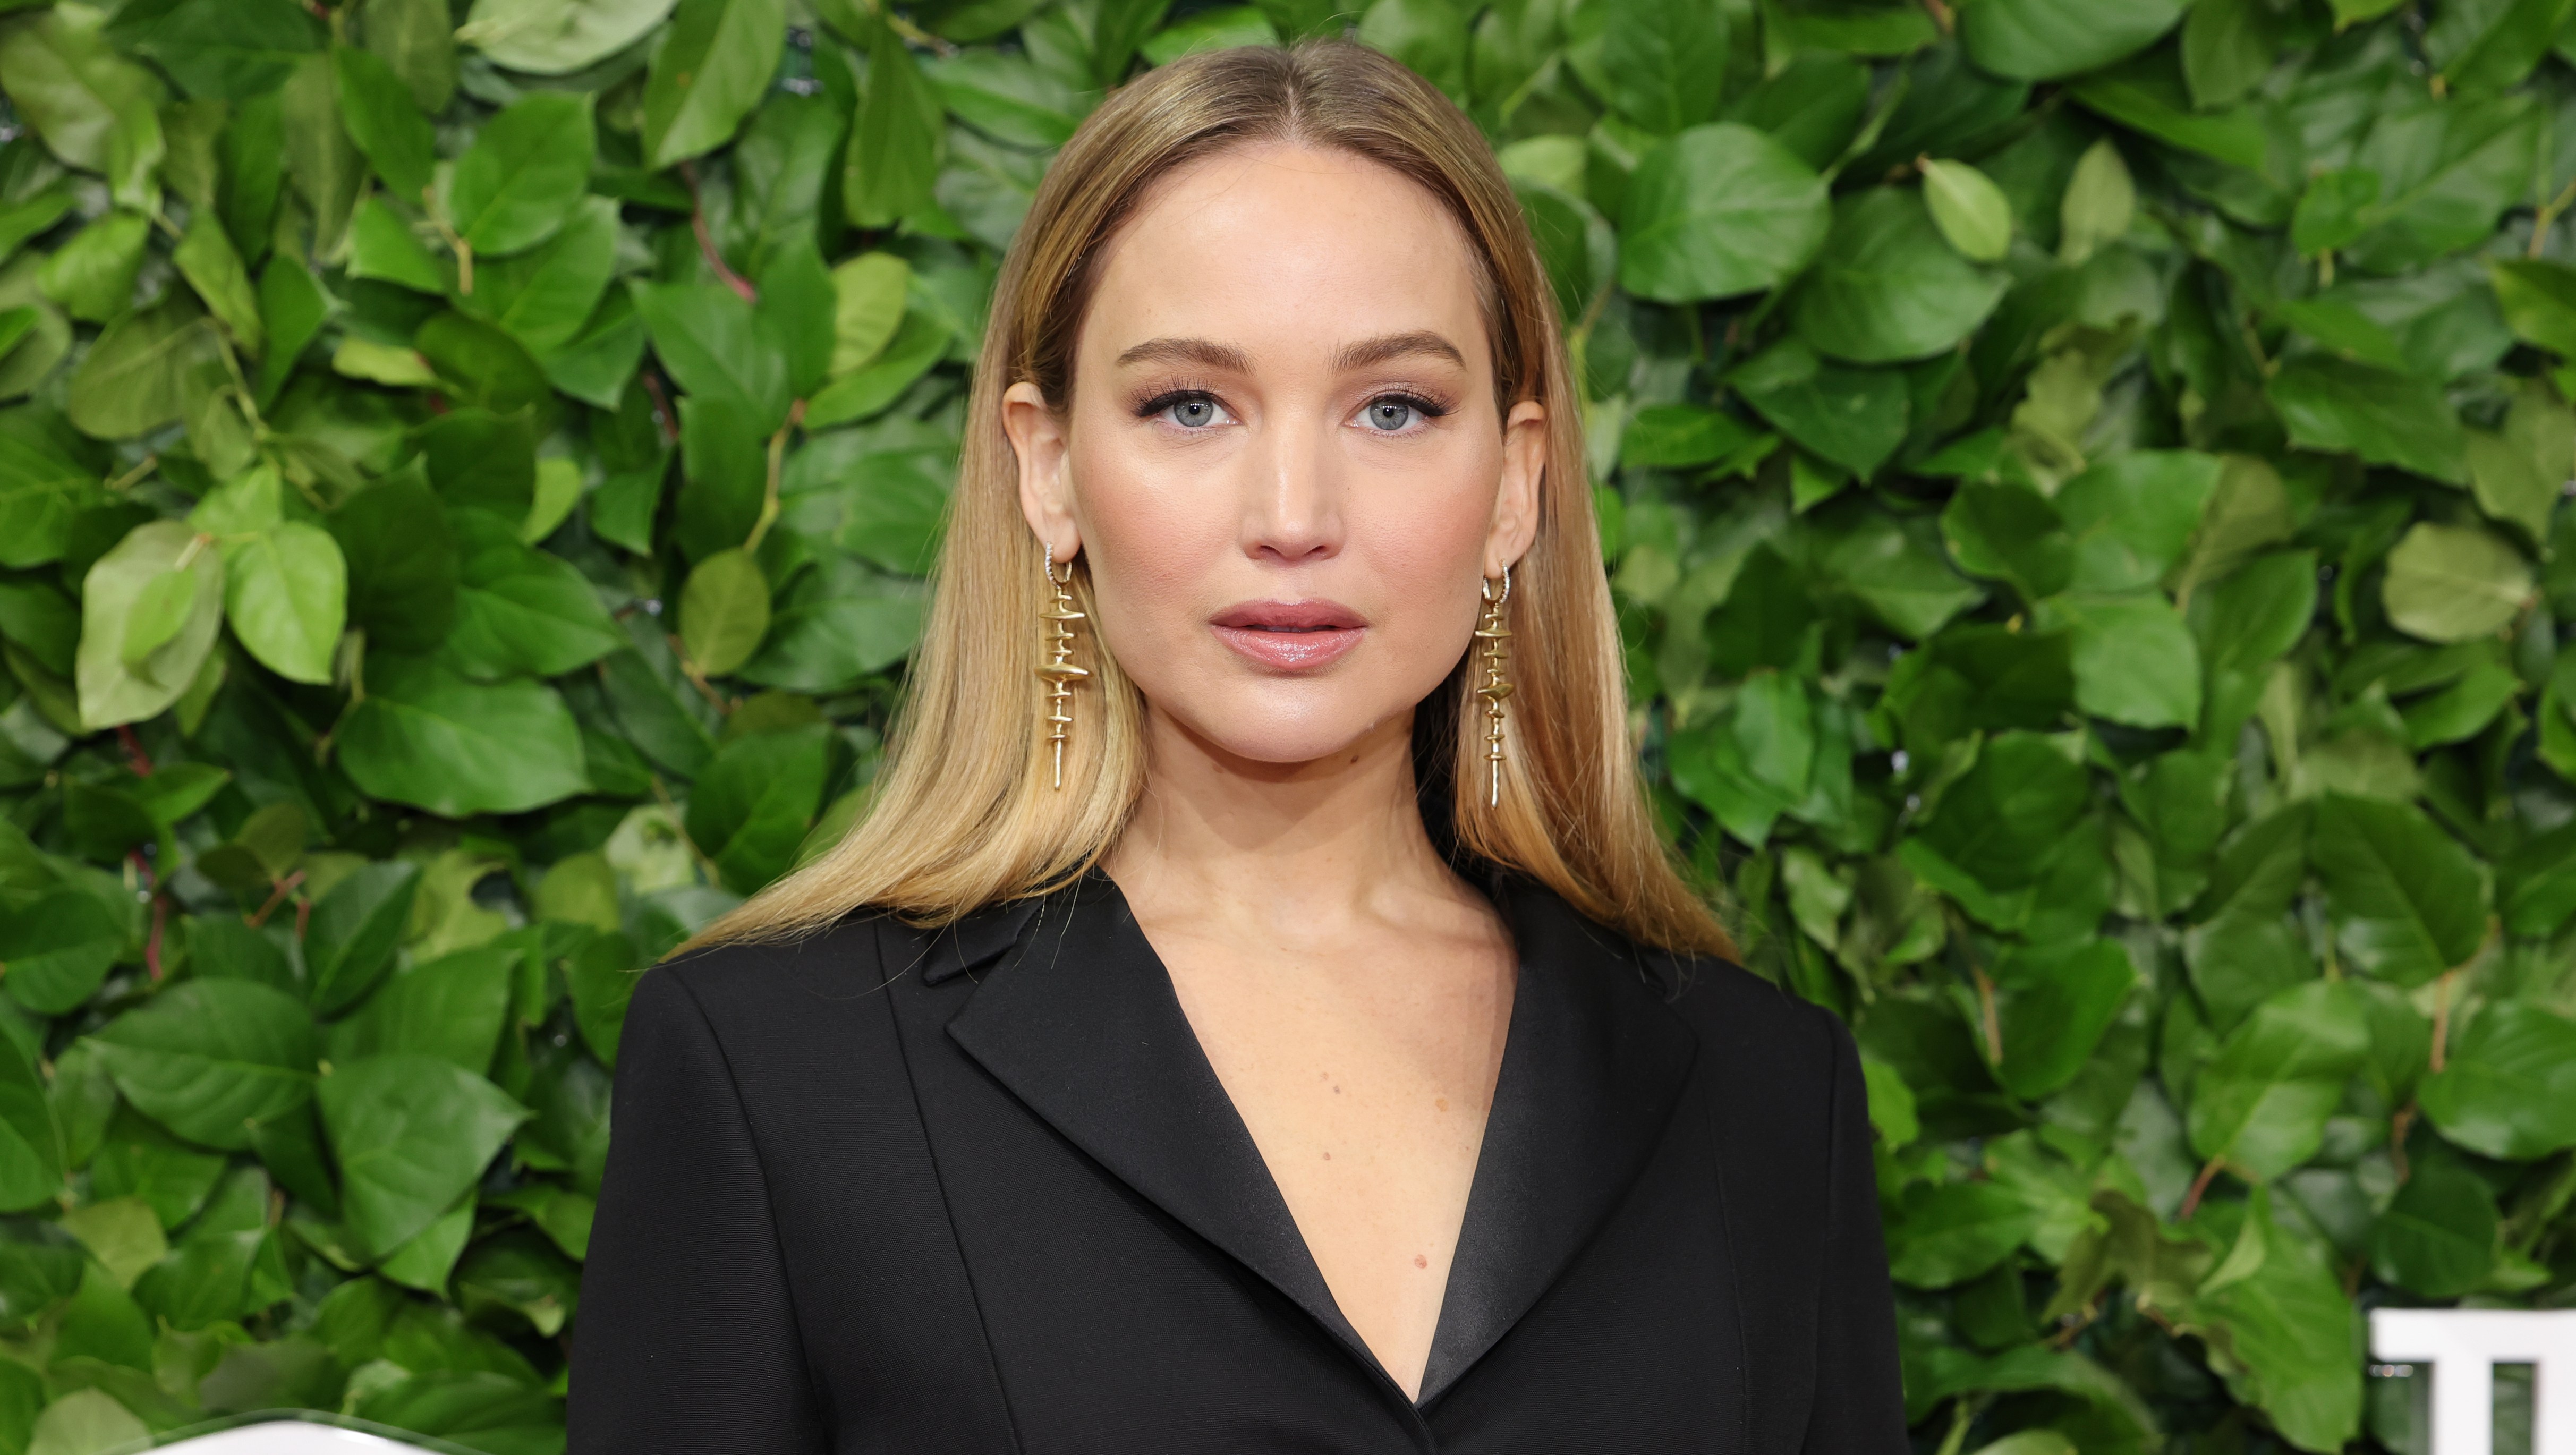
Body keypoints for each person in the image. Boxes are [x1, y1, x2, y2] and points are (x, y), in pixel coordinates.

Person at [569, 39, 1906, 1453]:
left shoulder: (1768, 1098)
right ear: (1047, 465)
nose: (1292, 516)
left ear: (1513, 485)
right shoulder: (775, 1070)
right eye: (1189, 406)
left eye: (1393, 408)